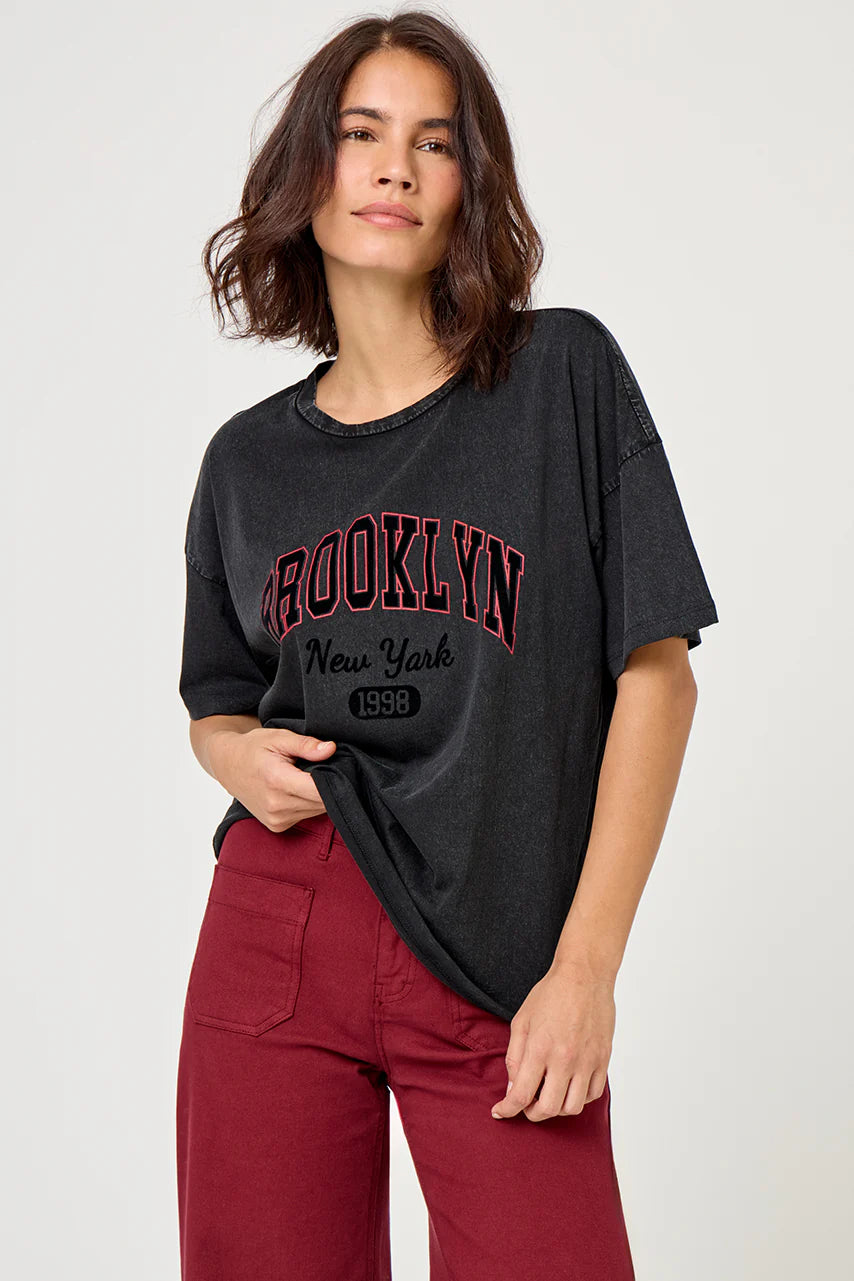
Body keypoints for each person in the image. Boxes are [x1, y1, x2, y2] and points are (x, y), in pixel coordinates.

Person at [175, 11, 719, 1280]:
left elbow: (656, 677)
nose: (394, 167)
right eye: (360, 133)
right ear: (308, 172)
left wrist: (583, 972)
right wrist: (231, 756)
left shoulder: (559, 377)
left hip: (500, 947)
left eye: (433, 142)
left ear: (469, 182)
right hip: (280, 924)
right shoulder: (245, 462)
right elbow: (218, 698)